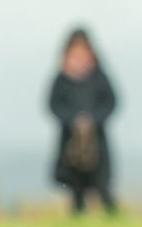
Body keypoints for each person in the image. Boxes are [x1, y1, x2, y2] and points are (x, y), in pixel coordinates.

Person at [48, 27, 118, 214]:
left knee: (102, 186)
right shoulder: (62, 78)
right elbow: (53, 105)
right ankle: (78, 219)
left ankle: (113, 219)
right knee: (75, 188)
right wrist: (73, 120)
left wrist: (92, 119)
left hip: (96, 141)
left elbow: (111, 102)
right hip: (71, 142)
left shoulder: (99, 76)